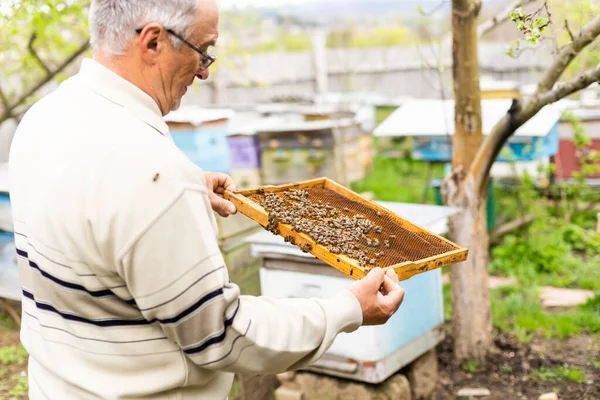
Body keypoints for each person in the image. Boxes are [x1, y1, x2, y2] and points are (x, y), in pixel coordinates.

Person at [8, 0, 405, 399]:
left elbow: (93, 216)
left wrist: (178, 191)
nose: (204, 70)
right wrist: (346, 310)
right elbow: (221, 334)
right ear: (152, 42)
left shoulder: (44, 118)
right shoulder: (152, 177)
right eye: (203, 49)